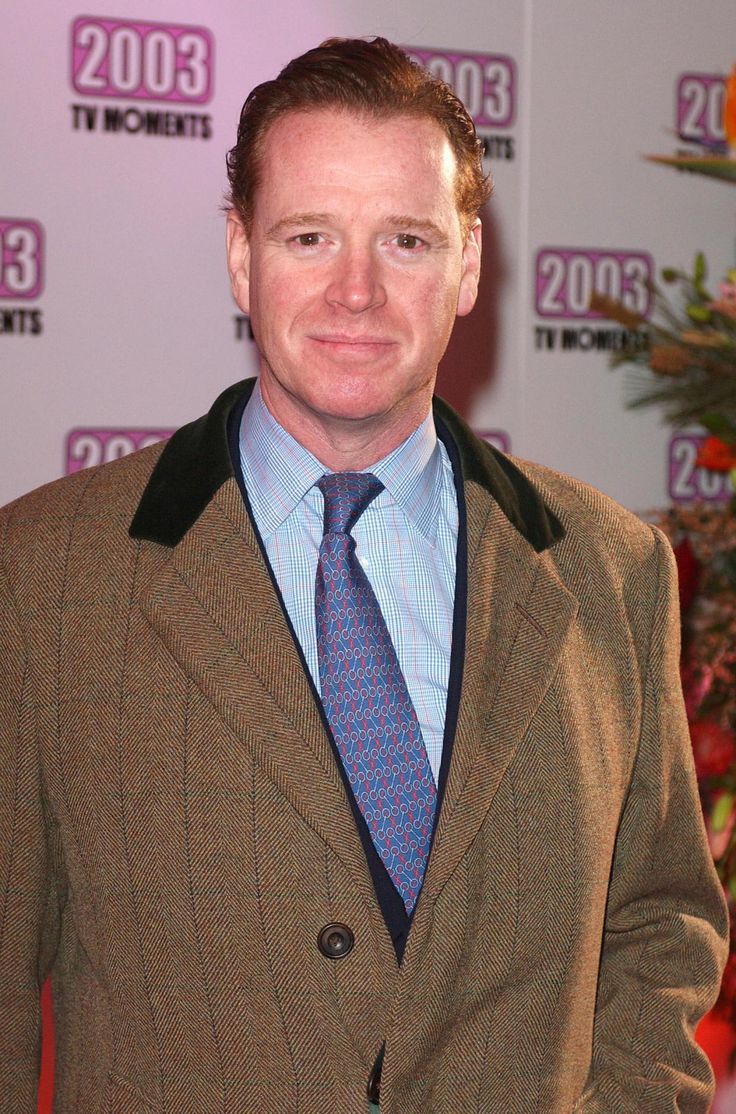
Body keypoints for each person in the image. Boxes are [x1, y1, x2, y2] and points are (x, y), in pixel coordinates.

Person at [0, 36, 728, 1114]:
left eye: (405, 240)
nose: (356, 290)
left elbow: (659, 925)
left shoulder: (609, 569)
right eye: (309, 236)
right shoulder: (45, 580)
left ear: (469, 263)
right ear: (241, 255)